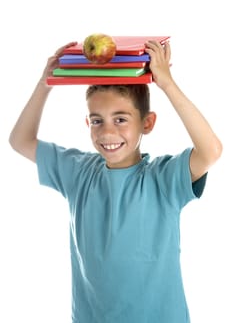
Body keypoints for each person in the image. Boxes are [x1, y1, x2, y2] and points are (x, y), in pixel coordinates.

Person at [9, 39, 222, 323]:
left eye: (120, 119)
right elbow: (20, 141)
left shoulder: (163, 179)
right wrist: (44, 84)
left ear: (147, 123)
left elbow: (211, 150)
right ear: (88, 124)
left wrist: (167, 84)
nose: (107, 132)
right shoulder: (78, 172)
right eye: (97, 121)